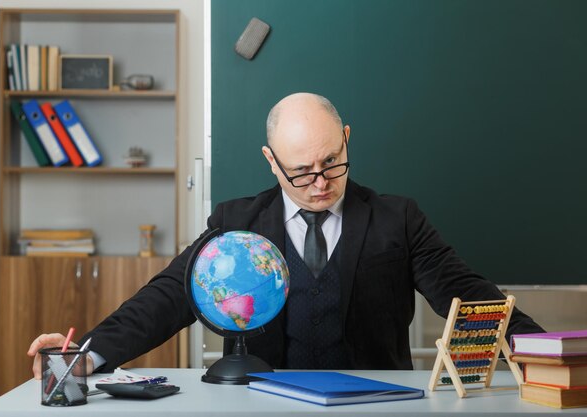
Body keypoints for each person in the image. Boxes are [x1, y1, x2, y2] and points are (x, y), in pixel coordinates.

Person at [28, 92, 544, 376]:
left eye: (332, 162)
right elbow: (166, 297)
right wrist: (84, 356)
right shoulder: (236, 223)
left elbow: (473, 298)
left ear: (345, 140)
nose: (319, 183)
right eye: (301, 170)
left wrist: (552, 356)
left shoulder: (397, 218)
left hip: (377, 405)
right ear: (271, 162)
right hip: (261, 404)